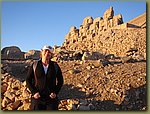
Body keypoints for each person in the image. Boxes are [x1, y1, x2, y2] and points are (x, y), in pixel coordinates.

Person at [26, 45, 64, 110]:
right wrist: (34, 92)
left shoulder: (55, 66)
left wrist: (55, 92)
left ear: (51, 54)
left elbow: (60, 80)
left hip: (51, 99)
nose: (47, 53)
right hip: (38, 98)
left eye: (49, 52)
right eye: (45, 51)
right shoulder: (35, 65)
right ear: (42, 52)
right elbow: (28, 79)